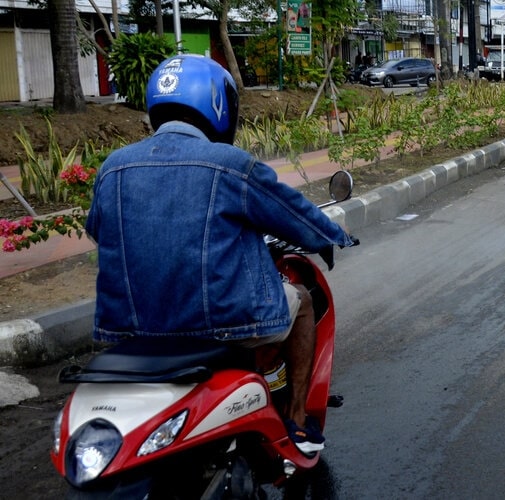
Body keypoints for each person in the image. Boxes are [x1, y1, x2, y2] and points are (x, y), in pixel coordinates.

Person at [85, 55, 355, 454]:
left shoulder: (113, 167)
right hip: (222, 323)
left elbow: (97, 229)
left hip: (130, 328)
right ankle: (298, 420)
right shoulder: (231, 165)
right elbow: (294, 215)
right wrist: (332, 236)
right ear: (217, 105)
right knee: (300, 304)